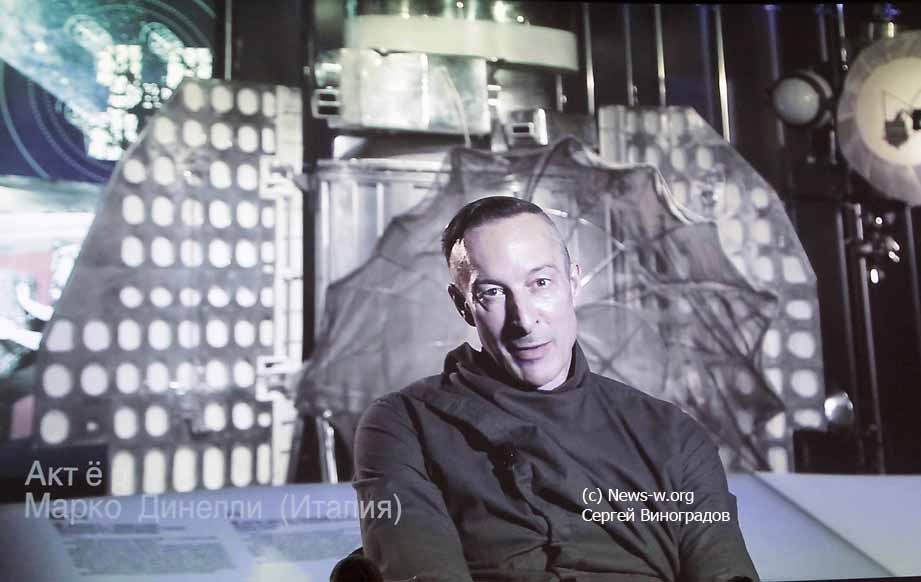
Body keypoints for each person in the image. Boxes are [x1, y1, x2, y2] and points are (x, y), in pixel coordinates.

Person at [351, 196, 760, 582]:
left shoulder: (672, 435)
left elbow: (722, 568)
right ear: (463, 306)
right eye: (492, 292)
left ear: (573, 281)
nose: (524, 320)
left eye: (541, 282)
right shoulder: (404, 425)